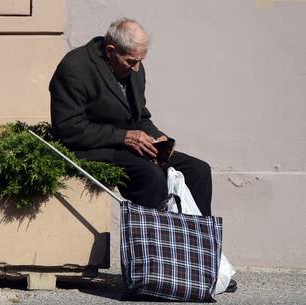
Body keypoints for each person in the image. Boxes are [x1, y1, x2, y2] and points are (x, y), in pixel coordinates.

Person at [49, 17, 212, 216]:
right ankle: (153, 242)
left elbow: (140, 115)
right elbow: (68, 127)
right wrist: (124, 137)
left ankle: (197, 242)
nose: (136, 68)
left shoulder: (133, 65)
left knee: (198, 171)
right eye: (131, 61)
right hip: (91, 148)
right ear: (110, 51)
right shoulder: (74, 67)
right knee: (150, 175)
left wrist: (157, 138)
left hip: (126, 146)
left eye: (140, 61)